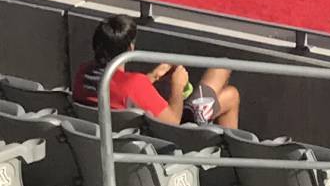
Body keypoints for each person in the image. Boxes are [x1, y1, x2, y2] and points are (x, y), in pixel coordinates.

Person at [70, 13, 240, 129]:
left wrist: (153, 76)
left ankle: (198, 112)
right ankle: (233, 168)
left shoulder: (82, 74)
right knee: (226, 77)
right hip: (171, 139)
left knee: (227, 85)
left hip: (115, 139)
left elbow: (119, 93)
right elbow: (172, 123)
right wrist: (177, 86)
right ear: (130, 47)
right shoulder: (134, 84)